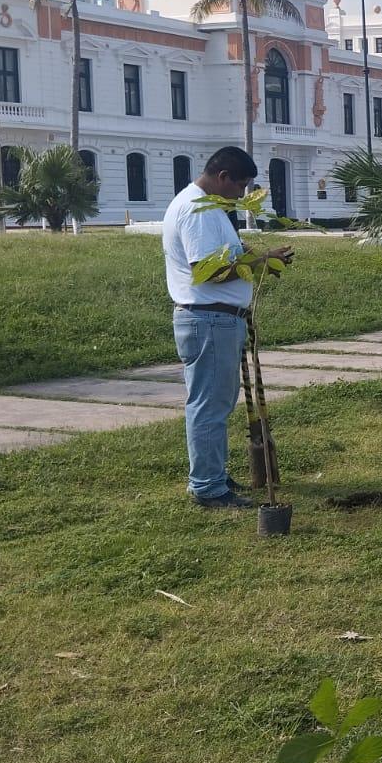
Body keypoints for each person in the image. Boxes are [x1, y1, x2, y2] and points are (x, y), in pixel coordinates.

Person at [162, 147, 294, 508]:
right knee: (209, 406)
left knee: (213, 403)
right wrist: (262, 261)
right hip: (210, 319)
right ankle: (207, 488)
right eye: (240, 186)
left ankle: (213, 475)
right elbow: (208, 271)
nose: (241, 194)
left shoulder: (207, 206)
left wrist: (255, 257)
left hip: (215, 319)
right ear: (222, 177)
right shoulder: (199, 210)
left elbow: (224, 257)